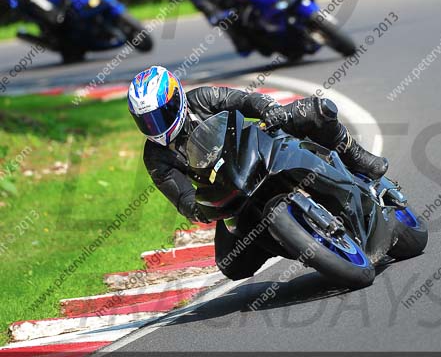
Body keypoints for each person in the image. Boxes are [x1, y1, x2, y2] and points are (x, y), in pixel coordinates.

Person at [128, 65, 389, 280]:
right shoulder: (155, 157)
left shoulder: (202, 99)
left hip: (257, 148)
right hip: (231, 190)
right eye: (146, 121)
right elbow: (184, 200)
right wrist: (200, 209)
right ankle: (287, 239)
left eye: (160, 115)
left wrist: (268, 109)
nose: (155, 126)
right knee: (231, 265)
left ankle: (356, 157)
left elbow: (244, 100)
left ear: (177, 100)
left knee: (315, 110)